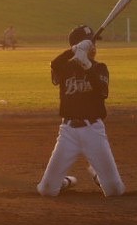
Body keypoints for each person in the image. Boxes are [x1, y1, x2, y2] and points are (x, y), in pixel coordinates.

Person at [36, 24, 125, 197]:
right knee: (46, 190)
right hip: (67, 132)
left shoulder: (100, 68)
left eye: (92, 44)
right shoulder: (65, 69)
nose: (94, 47)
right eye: (89, 43)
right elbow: (54, 64)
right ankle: (65, 181)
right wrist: (73, 51)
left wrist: (86, 65)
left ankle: (98, 176)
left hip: (93, 131)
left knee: (114, 191)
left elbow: (102, 91)